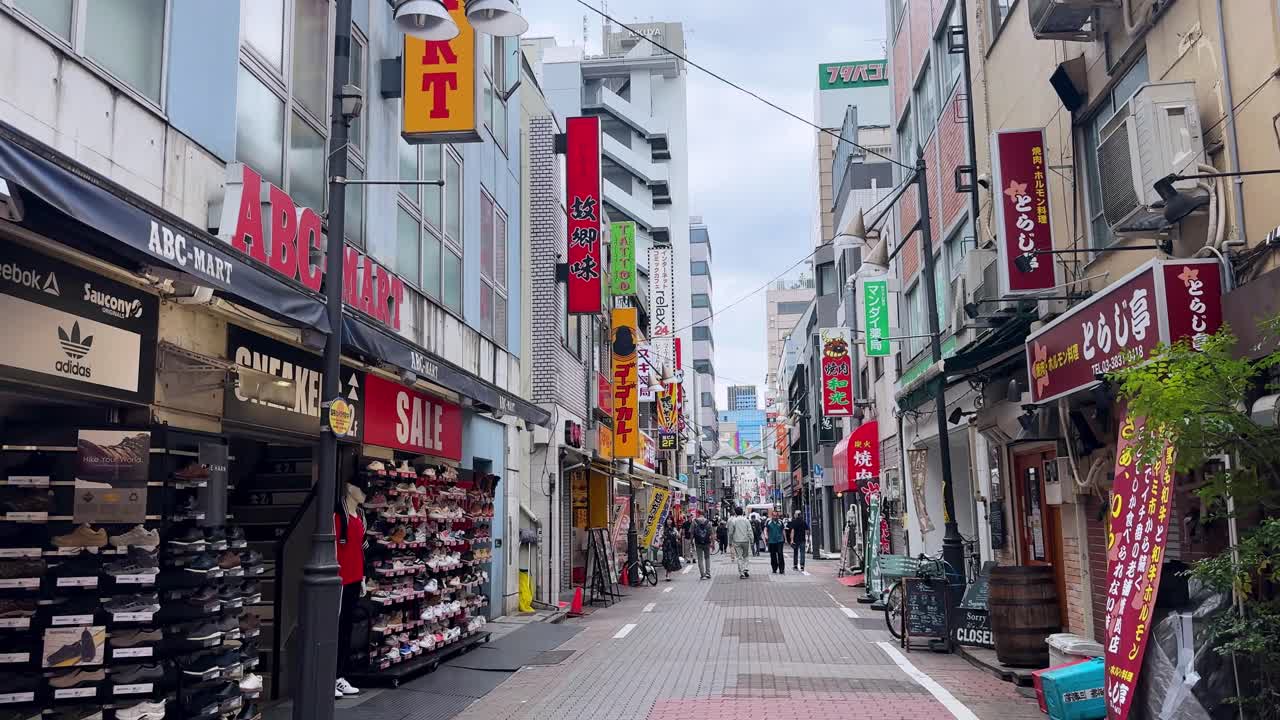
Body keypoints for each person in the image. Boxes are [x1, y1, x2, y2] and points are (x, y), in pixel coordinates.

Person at [334, 479, 366, 699]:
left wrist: (363, 576)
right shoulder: (338, 516)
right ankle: (332, 676)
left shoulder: (360, 517)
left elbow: (359, 549)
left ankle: (340, 676)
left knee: (346, 628)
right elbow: (334, 549)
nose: (364, 494)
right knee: (337, 628)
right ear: (349, 488)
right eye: (361, 489)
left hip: (354, 579)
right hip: (340, 580)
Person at [727, 507, 754, 578]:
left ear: (735, 513)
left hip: (737, 541)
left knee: (739, 557)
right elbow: (750, 531)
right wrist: (752, 540)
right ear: (742, 512)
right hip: (745, 540)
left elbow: (730, 533)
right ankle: (745, 568)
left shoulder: (733, 521)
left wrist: (730, 541)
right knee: (746, 556)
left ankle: (741, 573)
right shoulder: (746, 520)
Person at [691, 511, 713, 579]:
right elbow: (711, 533)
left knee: (700, 558)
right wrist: (712, 543)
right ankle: (708, 573)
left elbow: (691, 533)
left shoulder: (694, 521)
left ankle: (702, 575)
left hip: (698, 542)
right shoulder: (708, 522)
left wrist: (692, 541)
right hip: (707, 542)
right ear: (704, 514)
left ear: (698, 514)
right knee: (707, 558)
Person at [764, 510, 787, 574]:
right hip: (771, 541)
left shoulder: (780, 522)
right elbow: (765, 529)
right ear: (771, 516)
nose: (775, 517)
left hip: (780, 540)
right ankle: (774, 568)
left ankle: (781, 569)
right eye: (774, 515)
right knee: (773, 555)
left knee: (780, 554)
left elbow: (783, 530)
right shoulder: (768, 522)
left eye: (776, 515)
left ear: (778, 516)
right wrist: (766, 536)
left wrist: (785, 539)